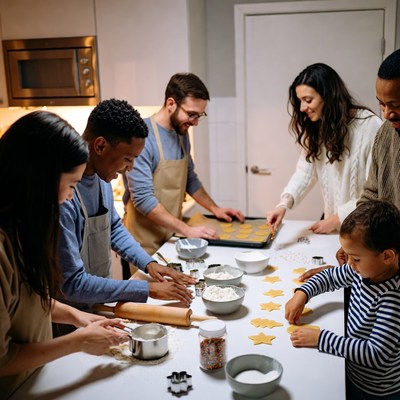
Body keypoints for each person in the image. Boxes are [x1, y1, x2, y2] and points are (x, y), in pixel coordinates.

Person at [0, 111, 129, 398]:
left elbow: (27, 300)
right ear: (39, 179)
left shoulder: (23, 229)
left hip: (36, 380)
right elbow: (2, 358)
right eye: (71, 185)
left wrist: (77, 317)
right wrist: (77, 342)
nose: (71, 196)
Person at [57, 99, 195, 312]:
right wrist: (149, 289)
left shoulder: (102, 179)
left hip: (98, 303)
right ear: (100, 145)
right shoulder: (64, 198)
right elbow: (73, 284)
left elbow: (113, 227)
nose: (130, 168)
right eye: (127, 158)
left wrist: (149, 264)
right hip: (68, 314)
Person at [299, 49, 400, 281]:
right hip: (382, 263)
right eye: (381, 104)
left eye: (394, 104)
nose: (386, 114)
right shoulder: (387, 132)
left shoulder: (371, 126)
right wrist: (356, 242)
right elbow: (371, 194)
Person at [285, 200, 400, 399]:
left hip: (377, 390)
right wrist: (302, 293)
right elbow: (330, 277)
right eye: (347, 256)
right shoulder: (361, 270)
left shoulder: (392, 299)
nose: (349, 264)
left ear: (387, 256)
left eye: (355, 258)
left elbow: (375, 353)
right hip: (353, 373)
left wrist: (321, 339)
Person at [123, 72, 245, 255]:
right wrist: (187, 230)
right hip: (141, 242)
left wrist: (215, 209)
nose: (195, 122)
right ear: (171, 103)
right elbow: (143, 199)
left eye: (199, 115)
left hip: (171, 235)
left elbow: (190, 179)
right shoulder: (142, 137)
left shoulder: (181, 134)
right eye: (191, 114)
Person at [266, 63, 382, 234]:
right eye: (300, 101)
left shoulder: (370, 127)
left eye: (308, 100)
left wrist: (337, 218)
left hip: (364, 232)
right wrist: (283, 204)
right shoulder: (319, 127)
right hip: (335, 231)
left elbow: (375, 191)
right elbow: (304, 173)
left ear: (329, 96)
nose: (302, 108)